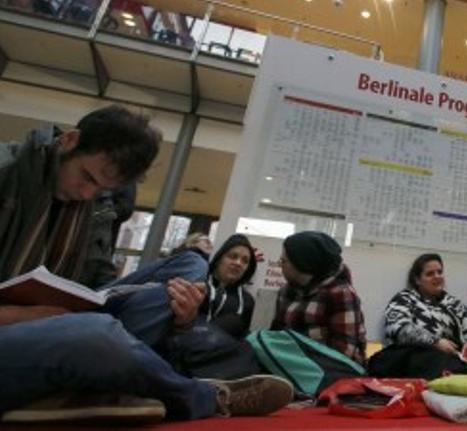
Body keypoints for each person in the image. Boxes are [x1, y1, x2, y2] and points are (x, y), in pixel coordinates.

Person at [0, 106, 292, 422]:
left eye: (101, 189)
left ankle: (94, 377)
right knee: (95, 334)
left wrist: (183, 313)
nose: (87, 193)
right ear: (70, 141)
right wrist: (17, 315)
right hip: (22, 327)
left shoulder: (92, 204)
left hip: (59, 322)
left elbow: (97, 282)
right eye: (87, 177)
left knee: (187, 269)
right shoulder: (7, 171)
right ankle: (203, 396)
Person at [375, 253, 467, 378]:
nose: (437, 276)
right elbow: (399, 328)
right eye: (430, 274)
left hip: (453, 357)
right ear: (417, 280)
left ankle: (460, 371)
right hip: (420, 355)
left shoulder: (454, 304)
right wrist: (435, 342)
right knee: (432, 359)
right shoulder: (404, 299)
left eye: (439, 272)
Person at [271, 231, 367, 365]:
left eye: (284, 261)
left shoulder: (341, 293)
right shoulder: (286, 291)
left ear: (302, 264)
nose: (280, 265)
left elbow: (344, 353)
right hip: (288, 364)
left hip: (330, 373)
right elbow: (275, 334)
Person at [200, 233, 257, 338]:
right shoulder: (199, 286)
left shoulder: (247, 301)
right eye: (233, 256)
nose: (238, 263)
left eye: (245, 261)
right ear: (219, 259)